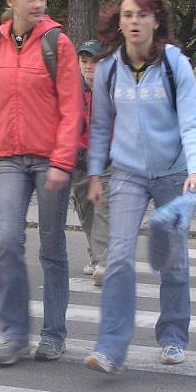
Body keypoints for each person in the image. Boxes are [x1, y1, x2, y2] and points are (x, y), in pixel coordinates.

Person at [83, 0, 196, 374]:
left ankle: (172, 336)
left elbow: (190, 120)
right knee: (118, 257)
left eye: (142, 15)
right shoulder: (107, 68)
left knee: (171, 259)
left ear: (156, 21)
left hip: (174, 172)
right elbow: (101, 126)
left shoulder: (175, 64)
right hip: (127, 172)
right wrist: (93, 172)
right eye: (127, 15)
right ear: (118, 23)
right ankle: (110, 347)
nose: (134, 21)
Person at [0, 0, 83, 366]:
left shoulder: (58, 43)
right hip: (12, 160)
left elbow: (72, 109)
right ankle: (14, 334)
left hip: (50, 159)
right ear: (11, 1)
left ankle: (53, 334)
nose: (38, 5)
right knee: (7, 241)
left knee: (51, 249)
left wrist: (62, 160)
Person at [72, 39, 109, 287]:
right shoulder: (71, 91)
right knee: (86, 213)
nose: (88, 66)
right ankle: (95, 255)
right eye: (84, 61)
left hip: (107, 160)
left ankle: (103, 263)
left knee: (103, 209)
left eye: (93, 61)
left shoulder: (112, 89)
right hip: (80, 161)